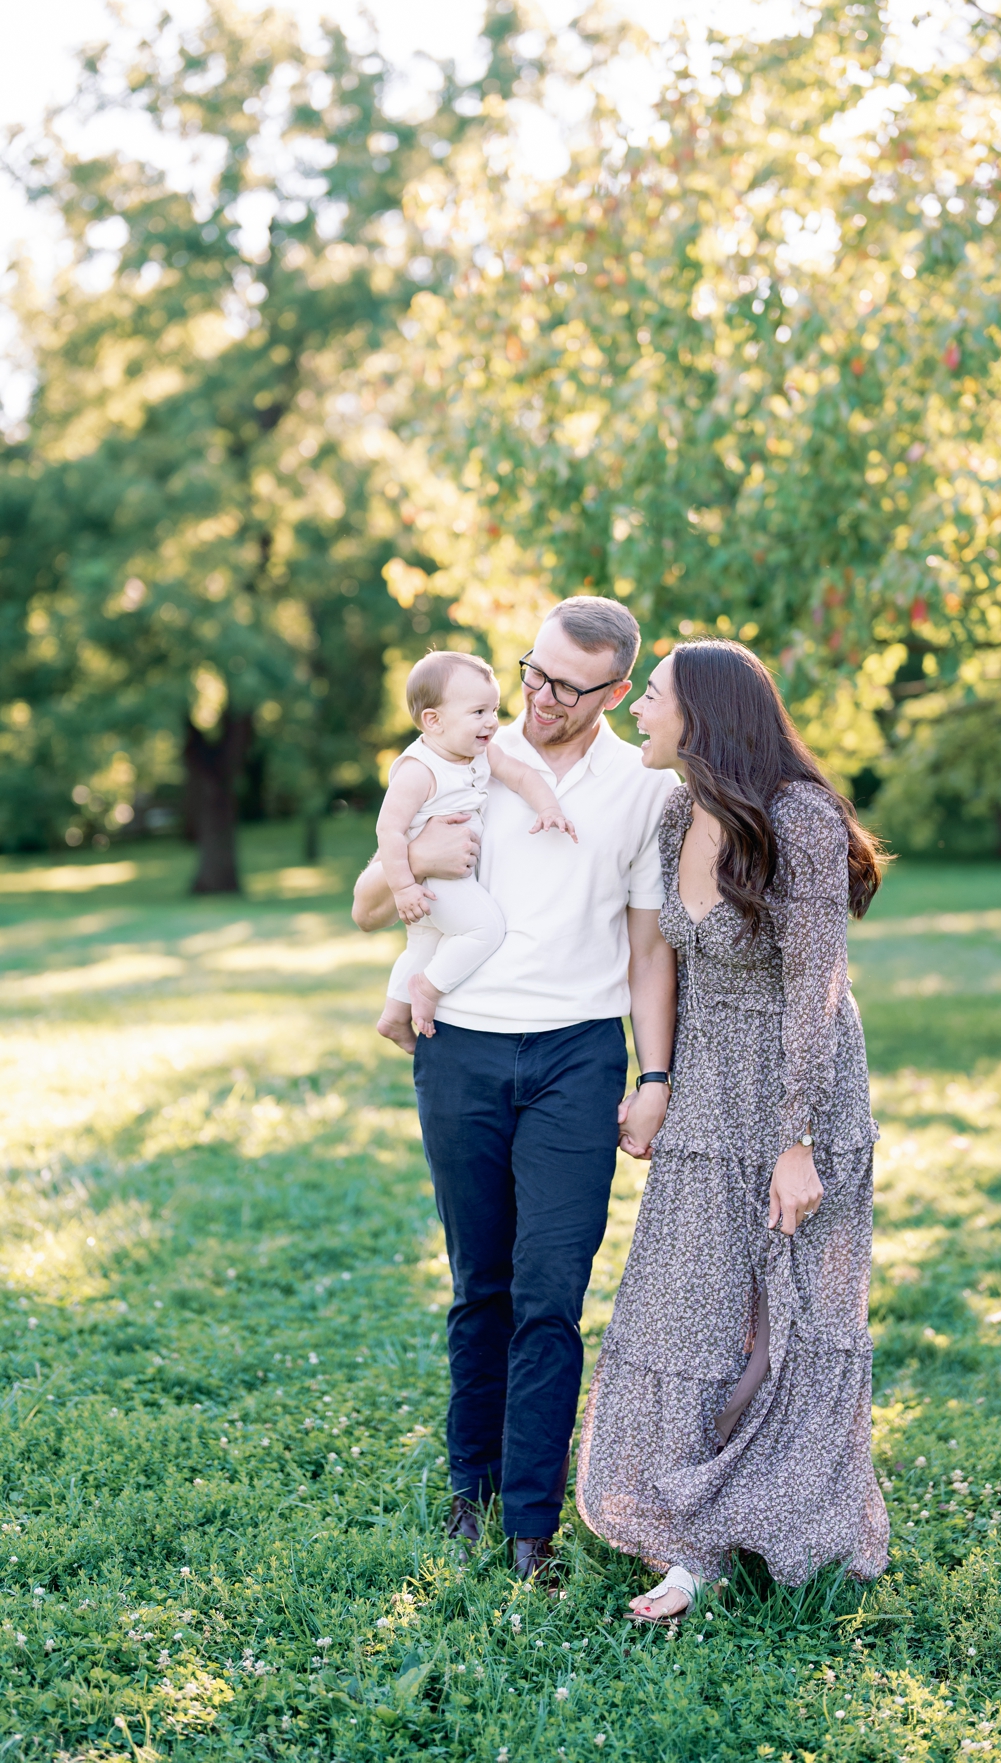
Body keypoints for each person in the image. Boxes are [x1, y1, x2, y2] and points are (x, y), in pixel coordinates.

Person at [352, 597, 678, 1579]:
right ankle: (473, 1486)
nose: (536, 698)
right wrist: (417, 858)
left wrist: (655, 1072)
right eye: (530, 672)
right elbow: (367, 904)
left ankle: (534, 1521)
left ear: (615, 691)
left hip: (578, 1057)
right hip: (460, 1051)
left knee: (550, 1292)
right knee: (479, 1284)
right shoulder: (464, 749)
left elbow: (649, 946)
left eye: (565, 687)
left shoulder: (639, 788)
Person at [575, 638, 890, 1620]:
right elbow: (670, 961)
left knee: (789, 1313)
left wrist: (794, 1139)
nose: (637, 712)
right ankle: (691, 1537)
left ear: (701, 715)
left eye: (652, 696)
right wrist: (658, 1080)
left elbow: (815, 985)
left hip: (804, 1095)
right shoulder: (678, 814)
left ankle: (783, 1518)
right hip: (708, 1097)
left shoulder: (798, 818)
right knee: (691, 1311)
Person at [374, 650, 576, 1053]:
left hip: (442, 882)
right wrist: (403, 888)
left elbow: (520, 775)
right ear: (433, 721)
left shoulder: (481, 753)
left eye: (494, 709)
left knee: (424, 946)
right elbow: (389, 830)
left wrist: (549, 807)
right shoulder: (419, 769)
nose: (491, 722)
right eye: (478, 712)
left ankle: (394, 1016)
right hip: (435, 881)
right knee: (485, 929)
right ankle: (427, 989)